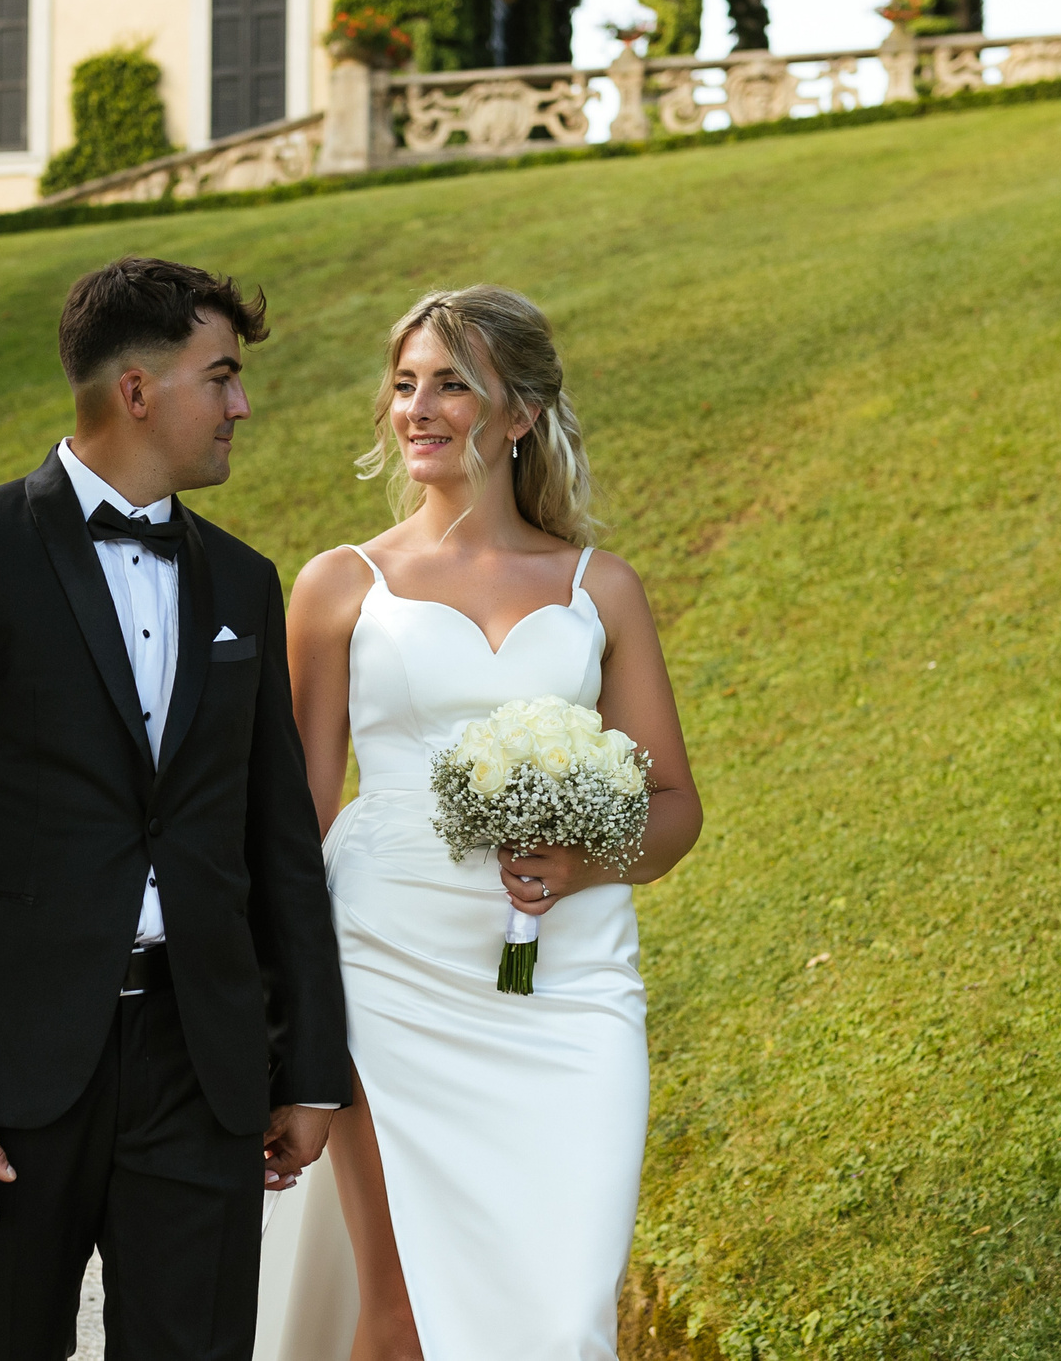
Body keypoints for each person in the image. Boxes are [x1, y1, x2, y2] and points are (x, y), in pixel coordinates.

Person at [0, 255, 350, 1361]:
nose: (241, 404)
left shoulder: (243, 582)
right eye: (219, 376)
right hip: (17, 1069)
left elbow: (275, 838)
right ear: (137, 392)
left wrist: (307, 1063)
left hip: (201, 1057)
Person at [258, 286, 704, 1361]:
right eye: (405, 384)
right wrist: (272, 1016)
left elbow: (673, 809)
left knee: (561, 1317)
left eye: (450, 383)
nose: (417, 407)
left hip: (569, 983)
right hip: (385, 961)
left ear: (518, 414)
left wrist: (581, 861)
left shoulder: (603, 588)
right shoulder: (336, 587)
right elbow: (291, 820)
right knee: (405, 1311)